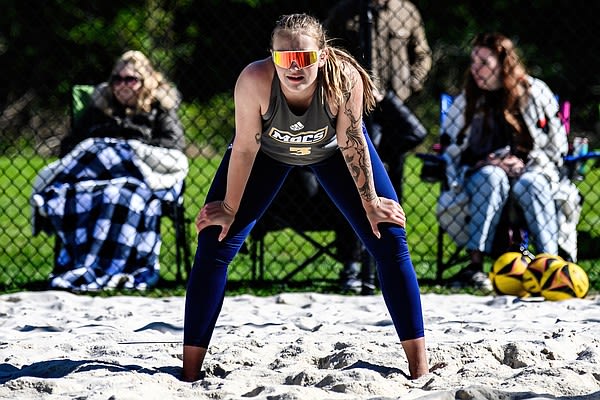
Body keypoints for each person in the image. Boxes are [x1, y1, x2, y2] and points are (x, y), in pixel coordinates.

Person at [182, 13, 429, 381]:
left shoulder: (342, 80)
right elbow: (246, 146)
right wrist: (229, 209)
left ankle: (419, 368)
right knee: (214, 240)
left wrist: (371, 202)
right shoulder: (255, 79)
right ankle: (188, 372)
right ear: (271, 55)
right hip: (267, 153)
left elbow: (351, 141)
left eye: (304, 58)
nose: (294, 67)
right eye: (285, 58)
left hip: (332, 151)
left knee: (389, 236)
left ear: (323, 55)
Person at [31, 50, 188, 291]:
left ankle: (119, 266)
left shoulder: (160, 108)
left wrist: (131, 147)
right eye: (117, 79)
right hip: (97, 176)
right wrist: (105, 147)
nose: (122, 85)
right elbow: (71, 147)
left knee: (120, 196)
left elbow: (173, 146)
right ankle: (84, 265)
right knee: (76, 195)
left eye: (130, 79)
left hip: (137, 176)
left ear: (146, 82)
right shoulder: (99, 108)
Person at [439, 33, 568, 289]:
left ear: (503, 64)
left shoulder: (533, 92)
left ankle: (550, 266)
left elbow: (556, 145)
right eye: (474, 61)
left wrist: (527, 162)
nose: (476, 69)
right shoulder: (468, 98)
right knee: (492, 177)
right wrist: (486, 162)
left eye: (484, 63)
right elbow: (452, 147)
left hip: (529, 169)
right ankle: (475, 267)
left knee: (532, 183)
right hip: (482, 173)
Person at [325, 0, 432, 293]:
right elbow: (327, 53)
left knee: (389, 184)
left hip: (391, 104)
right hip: (352, 102)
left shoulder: (406, 10)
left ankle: (387, 262)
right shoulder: (345, 10)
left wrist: (409, 85)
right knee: (352, 183)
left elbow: (421, 54)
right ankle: (351, 263)